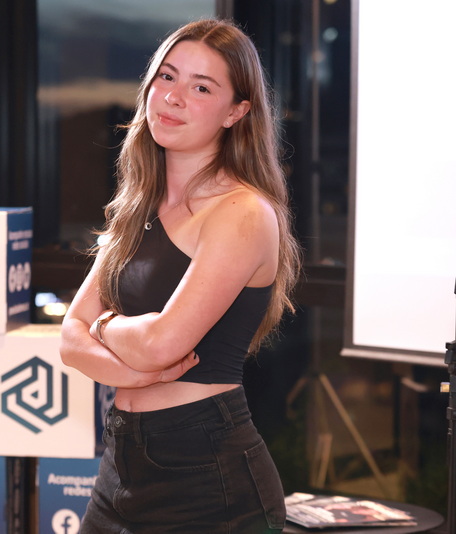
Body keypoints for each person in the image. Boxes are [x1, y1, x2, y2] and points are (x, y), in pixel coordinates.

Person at [59, 18, 302, 533]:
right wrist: (133, 373)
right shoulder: (137, 204)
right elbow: (68, 339)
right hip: (121, 462)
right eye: (166, 77)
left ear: (236, 112)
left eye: (201, 87)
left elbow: (160, 345)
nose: (173, 97)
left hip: (207, 475)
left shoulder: (242, 212)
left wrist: (104, 326)